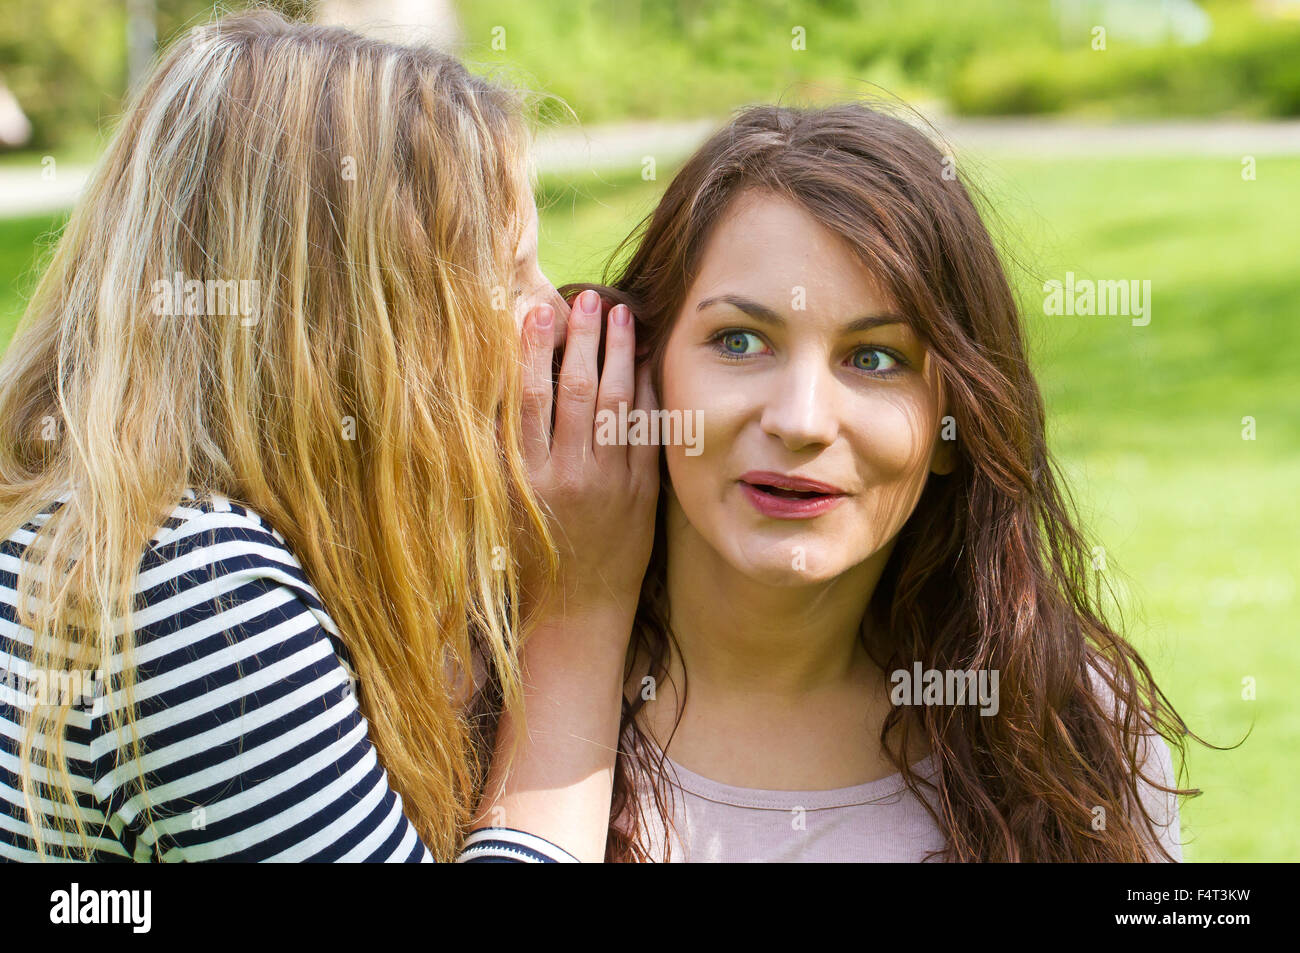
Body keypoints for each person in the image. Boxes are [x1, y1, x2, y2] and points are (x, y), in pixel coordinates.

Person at [0, 11, 655, 863]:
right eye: (511, 269)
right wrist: (584, 612)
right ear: (352, 327)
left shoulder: (118, 527)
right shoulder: (189, 595)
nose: (555, 313)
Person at [568, 103, 1200, 862]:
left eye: (874, 358)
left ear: (953, 421)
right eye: (740, 341)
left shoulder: (1068, 730)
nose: (801, 420)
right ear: (642, 369)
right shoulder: (481, 689)